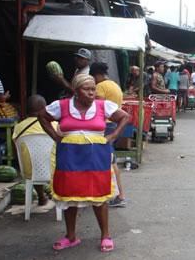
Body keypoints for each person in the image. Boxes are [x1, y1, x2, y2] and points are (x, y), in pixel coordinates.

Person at [38, 74, 129, 252]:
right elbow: (42, 116)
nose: (92, 93)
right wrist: (55, 136)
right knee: (69, 196)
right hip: (69, 158)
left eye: (93, 89)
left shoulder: (103, 106)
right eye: (87, 89)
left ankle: (105, 236)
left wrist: (113, 136)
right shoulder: (62, 106)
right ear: (76, 91)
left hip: (97, 157)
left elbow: (124, 117)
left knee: (99, 196)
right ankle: (70, 236)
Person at [89, 63, 127, 208]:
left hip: (105, 125)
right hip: (113, 124)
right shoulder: (115, 85)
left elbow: (96, 106)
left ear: (97, 75)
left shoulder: (101, 87)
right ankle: (116, 194)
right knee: (111, 159)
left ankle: (117, 195)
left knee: (109, 161)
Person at [13, 95, 57, 208]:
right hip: (55, 171)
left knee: (34, 162)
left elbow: (16, 150)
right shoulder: (54, 125)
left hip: (30, 171)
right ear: (45, 108)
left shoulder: (18, 127)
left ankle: (41, 197)